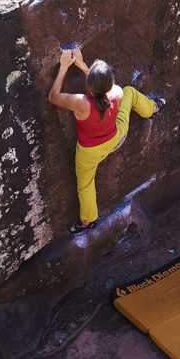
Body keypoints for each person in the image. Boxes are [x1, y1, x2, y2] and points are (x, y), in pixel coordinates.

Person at [48, 46, 165, 232]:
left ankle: (88, 221)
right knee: (131, 93)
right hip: (116, 138)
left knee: (85, 183)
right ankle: (152, 109)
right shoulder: (116, 92)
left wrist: (65, 66)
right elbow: (104, 88)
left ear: (89, 86)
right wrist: (84, 65)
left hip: (90, 153)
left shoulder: (80, 103)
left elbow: (53, 97)